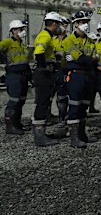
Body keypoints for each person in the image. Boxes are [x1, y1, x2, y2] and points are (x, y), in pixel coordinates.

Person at [61, 11, 99, 148]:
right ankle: (74, 138)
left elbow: (95, 58)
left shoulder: (90, 40)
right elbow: (82, 58)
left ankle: (82, 135)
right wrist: (87, 59)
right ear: (75, 24)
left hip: (88, 76)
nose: (85, 25)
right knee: (75, 106)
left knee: (84, 106)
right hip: (76, 76)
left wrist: (86, 59)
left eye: (86, 22)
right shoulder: (68, 40)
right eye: (82, 22)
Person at [31, 12, 65, 146]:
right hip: (43, 74)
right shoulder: (45, 35)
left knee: (43, 102)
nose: (60, 28)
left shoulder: (48, 36)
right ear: (54, 24)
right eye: (59, 25)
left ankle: (41, 133)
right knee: (42, 103)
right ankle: (40, 137)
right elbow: (39, 52)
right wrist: (44, 68)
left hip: (44, 73)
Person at [0, 20, 32, 135]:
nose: (23, 32)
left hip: (23, 76)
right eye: (20, 29)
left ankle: (17, 124)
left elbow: (25, 62)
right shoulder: (8, 42)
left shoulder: (22, 44)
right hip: (13, 76)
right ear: (13, 31)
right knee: (14, 101)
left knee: (21, 101)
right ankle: (10, 127)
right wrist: (4, 60)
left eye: (23, 29)